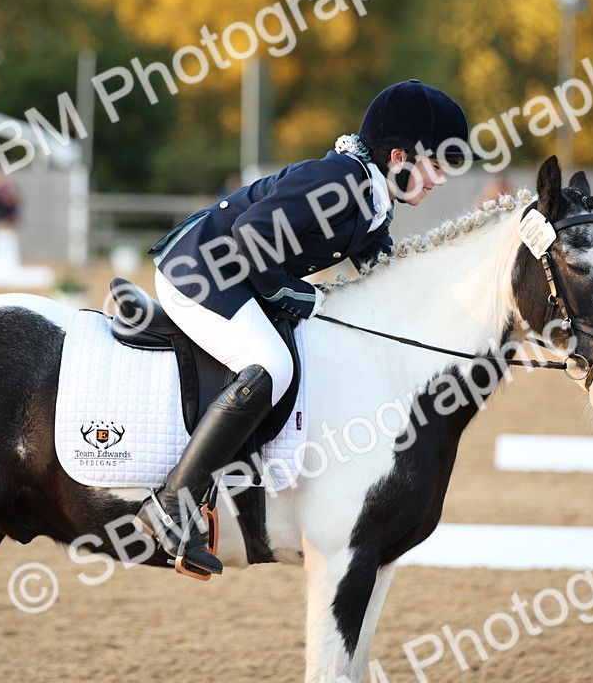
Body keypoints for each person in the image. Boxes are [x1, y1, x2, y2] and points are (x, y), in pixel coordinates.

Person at [138, 79, 470, 577]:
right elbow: (252, 237)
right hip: (202, 271)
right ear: (400, 156)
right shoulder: (338, 182)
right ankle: (171, 503)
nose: (440, 180)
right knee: (270, 364)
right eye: (437, 166)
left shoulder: (371, 197)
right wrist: (300, 296)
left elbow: (385, 276)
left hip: (235, 275)